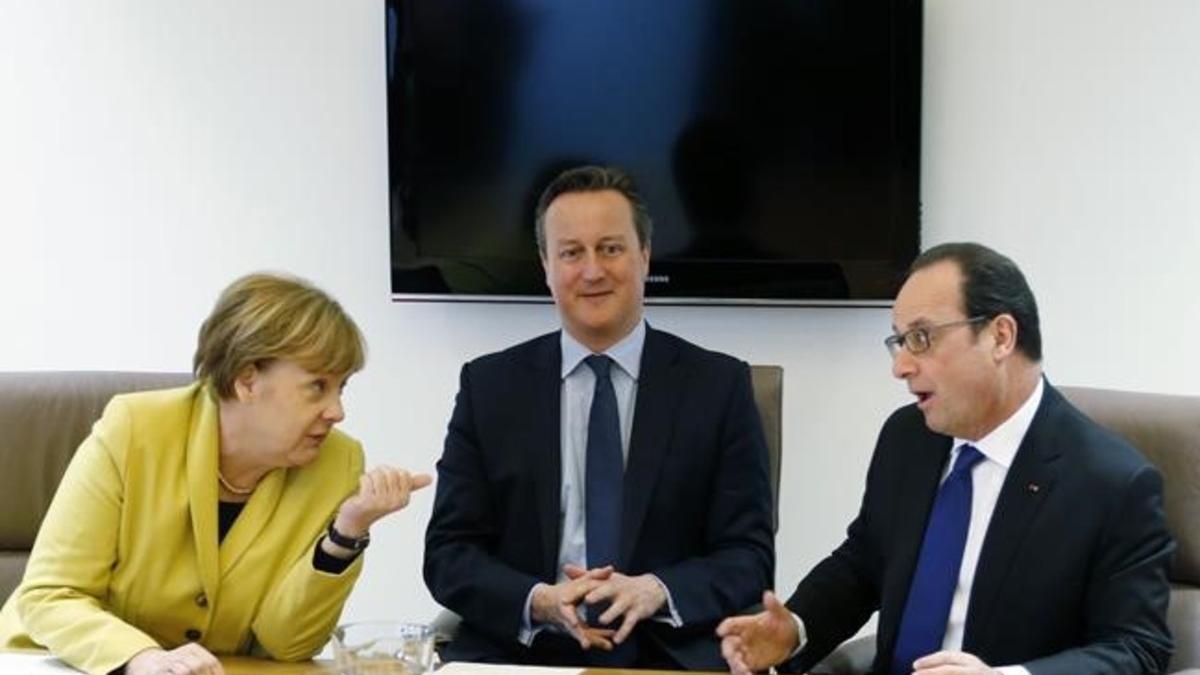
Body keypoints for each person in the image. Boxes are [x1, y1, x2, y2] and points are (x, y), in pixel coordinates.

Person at [718, 242, 1174, 675]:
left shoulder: (1112, 483)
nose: (900, 366)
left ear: (1000, 336)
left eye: (922, 337)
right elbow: (863, 565)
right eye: (899, 342)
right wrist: (794, 630)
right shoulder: (908, 437)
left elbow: (1136, 650)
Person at [424, 165, 774, 670]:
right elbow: (448, 554)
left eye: (610, 248)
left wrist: (658, 590)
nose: (592, 271)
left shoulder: (718, 386)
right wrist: (538, 600)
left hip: (667, 653)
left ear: (644, 256)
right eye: (571, 253)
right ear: (546, 266)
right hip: (526, 652)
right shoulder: (490, 387)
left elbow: (749, 555)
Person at [0, 273, 432, 675]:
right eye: (318, 387)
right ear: (247, 380)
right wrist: (141, 657)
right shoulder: (134, 430)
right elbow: (50, 597)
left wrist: (346, 533)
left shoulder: (337, 463)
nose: (337, 411)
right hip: (64, 663)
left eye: (342, 389)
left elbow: (286, 645)